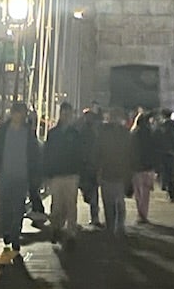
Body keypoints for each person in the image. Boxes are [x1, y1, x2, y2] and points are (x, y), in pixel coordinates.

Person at [0, 100, 40, 263]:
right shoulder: (3, 131)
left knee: (18, 207)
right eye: (18, 113)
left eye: (22, 113)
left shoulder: (28, 133)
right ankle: (7, 231)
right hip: (5, 174)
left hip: (21, 175)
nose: (20, 116)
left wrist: (34, 173)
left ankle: (14, 235)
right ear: (13, 113)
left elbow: (34, 153)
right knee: (5, 206)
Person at [39, 100, 87, 244]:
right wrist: (47, 174)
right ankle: (56, 228)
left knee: (70, 204)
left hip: (71, 174)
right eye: (64, 113)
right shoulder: (53, 134)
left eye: (68, 113)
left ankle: (70, 230)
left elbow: (79, 154)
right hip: (57, 174)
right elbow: (47, 154)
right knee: (57, 204)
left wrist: (80, 172)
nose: (66, 116)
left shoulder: (74, 134)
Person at [95, 107, 133, 234]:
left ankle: (112, 226)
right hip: (116, 172)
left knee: (110, 203)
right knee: (117, 203)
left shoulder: (104, 133)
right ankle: (117, 226)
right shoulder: (124, 133)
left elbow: (99, 152)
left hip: (110, 172)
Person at [129, 108, 160, 223]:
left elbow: (130, 150)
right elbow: (155, 149)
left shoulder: (133, 134)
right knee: (146, 193)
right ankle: (144, 215)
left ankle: (140, 213)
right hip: (148, 167)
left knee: (138, 193)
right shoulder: (151, 133)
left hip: (136, 167)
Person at [77, 105, 102, 227]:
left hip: (88, 166)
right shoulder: (90, 131)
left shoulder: (82, 130)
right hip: (87, 166)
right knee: (90, 193)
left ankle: (95, 216)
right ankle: (94, 217)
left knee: (91, 192)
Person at [156, 109, 174, 201]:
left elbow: (158, 139)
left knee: (166, 173)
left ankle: (169, 192)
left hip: (164, 152)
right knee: (173, 174)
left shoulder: (161, 126)